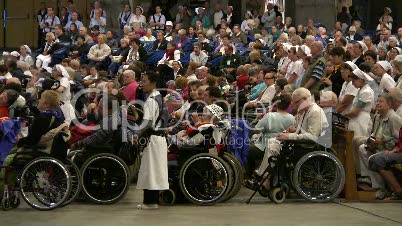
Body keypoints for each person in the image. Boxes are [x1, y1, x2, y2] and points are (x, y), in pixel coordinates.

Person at [253, 88, 328, 180]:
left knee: (273, 145)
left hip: (308, 147)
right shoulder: (306, 111)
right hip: (301, 143)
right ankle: (266, 176)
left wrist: (289, 136)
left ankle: (264, 177)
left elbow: (312, 136)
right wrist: (294, 130)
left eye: (296, 102)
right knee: (273, 141)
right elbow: (303, 130)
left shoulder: (315, 111)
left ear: (304, 99)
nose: (294, 105)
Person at [354, 94, 402, 194]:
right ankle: (369, 179)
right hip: (378, 145)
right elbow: (374, 134)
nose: (377, 103)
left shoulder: (394, 118)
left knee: (374, 157)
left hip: (389, 148)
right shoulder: (377, 116)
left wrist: (383, 141)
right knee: (361, 146)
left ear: (389, 105)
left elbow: (398, 140)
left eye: (381, 101)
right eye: (377, 101)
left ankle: (381, 187)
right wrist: (372, 141)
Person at [134, 72, 168, 210]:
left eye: (145, 81)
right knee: (156, 171)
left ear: (153, 83)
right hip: (159, 139)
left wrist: (136, 134)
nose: (142, 84)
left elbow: (147, 122)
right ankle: (152, 201)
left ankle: (150, 202)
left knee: (151, 171)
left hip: (153, 139)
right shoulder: (160, 98)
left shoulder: (151, 100)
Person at [345, 69, 375, 137]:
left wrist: (345, 116)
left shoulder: (366, 92)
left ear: (360, 79)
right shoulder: (361, 90)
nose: (352, 84)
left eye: (353, 81)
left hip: (361, 122)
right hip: (356, 121)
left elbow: (355, 112)